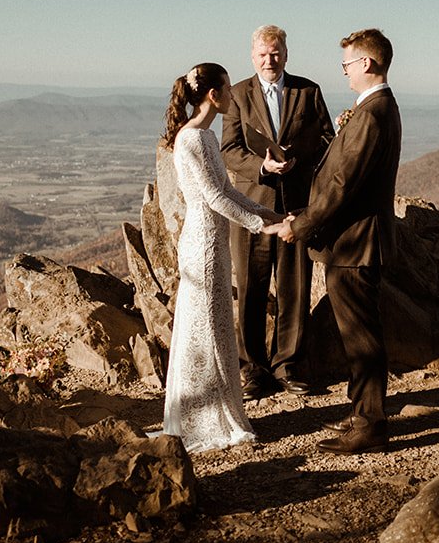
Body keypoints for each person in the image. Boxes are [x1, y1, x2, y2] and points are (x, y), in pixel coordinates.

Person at [268, 29, 401, 454]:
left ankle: (371, 425)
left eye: (347, 64)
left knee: (362, 337)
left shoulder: (373, 114)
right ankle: (362, 413)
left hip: (356, 245)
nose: (343, 72)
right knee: (358, 334)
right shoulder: (376, 109)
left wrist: (301, 225)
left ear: (366, 63)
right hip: (355, 243)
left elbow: (343, 184)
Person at [158, 62, 282, 453]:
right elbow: (213, 198)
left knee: (213, 324)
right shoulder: (192, 139)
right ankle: (203, 418)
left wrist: (269, 214)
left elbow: (228, 191)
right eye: (228, 89)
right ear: (213, 95)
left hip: (215, 236)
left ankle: (219, 407)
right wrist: (260, 226)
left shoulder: (206, 137)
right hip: (204, 241)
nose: (233, 96)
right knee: (205, 326)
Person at [221, 25, 335, 399]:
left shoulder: (308, 90)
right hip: (253, 208)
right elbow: (229, 150)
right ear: (252, 56)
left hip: (295, 207)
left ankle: (288, 365)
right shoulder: (238, 94)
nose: (269, 60)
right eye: (262, 55)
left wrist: (299, 160)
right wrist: (262, 167)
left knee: (294, 289)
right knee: (252, 289)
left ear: (286, 54)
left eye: (275, 53)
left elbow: (327, 140)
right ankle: (252, 369)